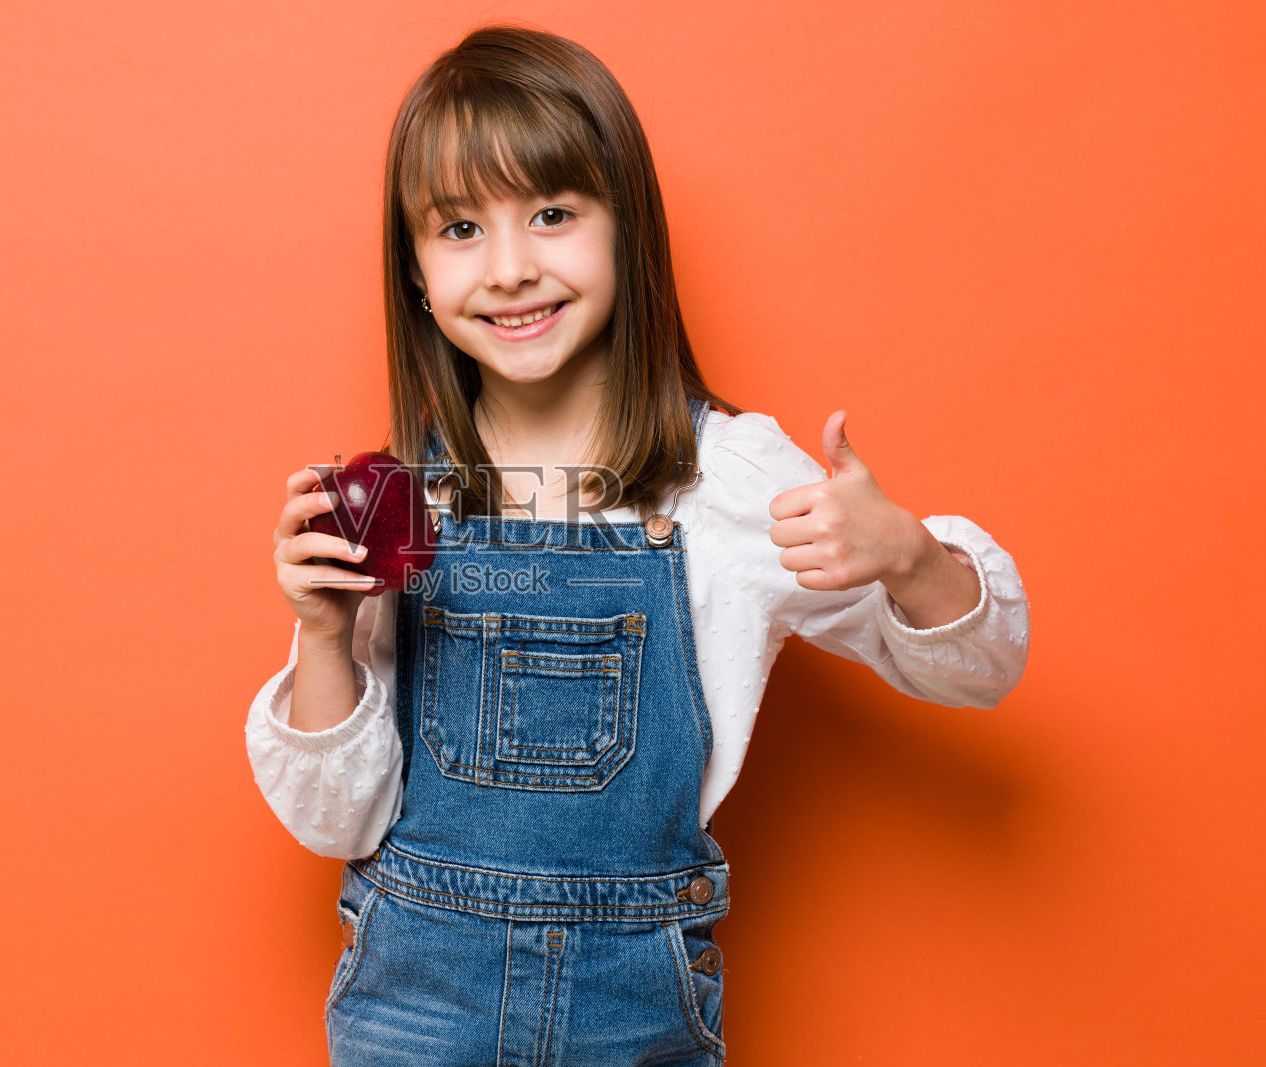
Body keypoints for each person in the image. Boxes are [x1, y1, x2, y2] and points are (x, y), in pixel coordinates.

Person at [245, 25, 1028, 1067]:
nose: (512, 268)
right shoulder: (400, 499)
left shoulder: (730, 479)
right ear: (415, 271)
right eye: (460, 228)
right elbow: (337, 820)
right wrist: (323, 635)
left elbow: (980, 671)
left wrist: (907, 559)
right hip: (410, 1008)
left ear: (629, 228)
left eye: (555, 214)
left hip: (634, 1011)